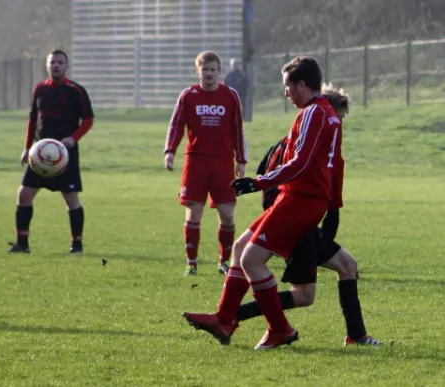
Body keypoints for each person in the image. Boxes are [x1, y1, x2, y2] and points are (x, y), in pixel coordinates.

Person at [183, 56, 341, 350]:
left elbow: (300, 163)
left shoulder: (314, 114)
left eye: (288, 87)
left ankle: (280, 329)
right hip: (299, 196)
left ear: (302, 85)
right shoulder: (326, 112)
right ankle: (224, 318)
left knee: (251, 260)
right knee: (241, 249)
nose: (286, 93)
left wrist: (259, 182)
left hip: (302, 199)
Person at [235, 84, 383, 347]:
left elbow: (333, 172)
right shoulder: (297, 142)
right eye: (337, 118)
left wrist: (333, 211)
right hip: (294, 222)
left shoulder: (324, 144)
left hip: (305, 220)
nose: (338, 125)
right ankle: (242, 317)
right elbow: (276, 184)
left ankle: (356, 336)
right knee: (306, 292)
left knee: (339, 272)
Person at [164, 51, 248, 277]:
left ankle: (224, 261)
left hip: (222, 163)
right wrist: (170, 151)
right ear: (198, 70)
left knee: (228, 214)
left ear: (219, 71)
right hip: (196, 161)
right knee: (194, 213)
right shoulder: (188, 95)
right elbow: (176, 125)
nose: (209, 74)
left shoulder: (230, 96)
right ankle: (191, 263)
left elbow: (238, 130)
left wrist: (241, 160)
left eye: (212, 69)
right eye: (205, 69)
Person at [7, 49, 94, 254]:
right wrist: (27, 148)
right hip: (39, 154)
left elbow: (88, 120)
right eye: (53, 62)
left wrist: (73, 138)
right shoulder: (40, 89)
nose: (56, 65)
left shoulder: (76, 90)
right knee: (24, 194)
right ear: (47, 65)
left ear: (66, 66)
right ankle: (22, 243)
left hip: (65, 154)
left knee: (71, 197)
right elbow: (33, 120)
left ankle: (77, 245)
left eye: (60, 62)